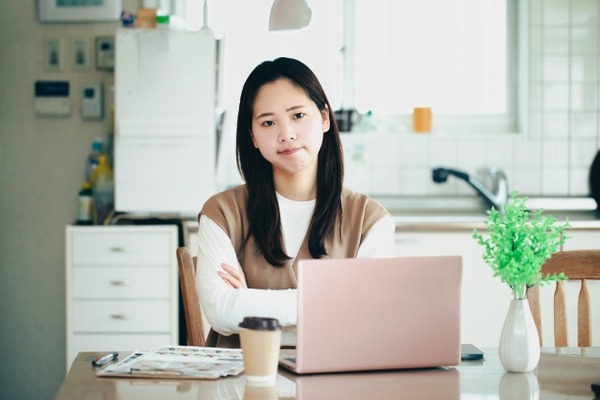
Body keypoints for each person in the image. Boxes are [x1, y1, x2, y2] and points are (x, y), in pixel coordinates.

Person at [197, 57, 396, 348]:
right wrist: (331, 301)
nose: (286, 133)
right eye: (268, 122)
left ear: (325, 118)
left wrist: (250, 305)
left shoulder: (370, 220)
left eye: (298, 116)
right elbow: (221, 311)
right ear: (253, 136)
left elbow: (369, 317)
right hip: (241, 384)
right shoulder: (222, 213)